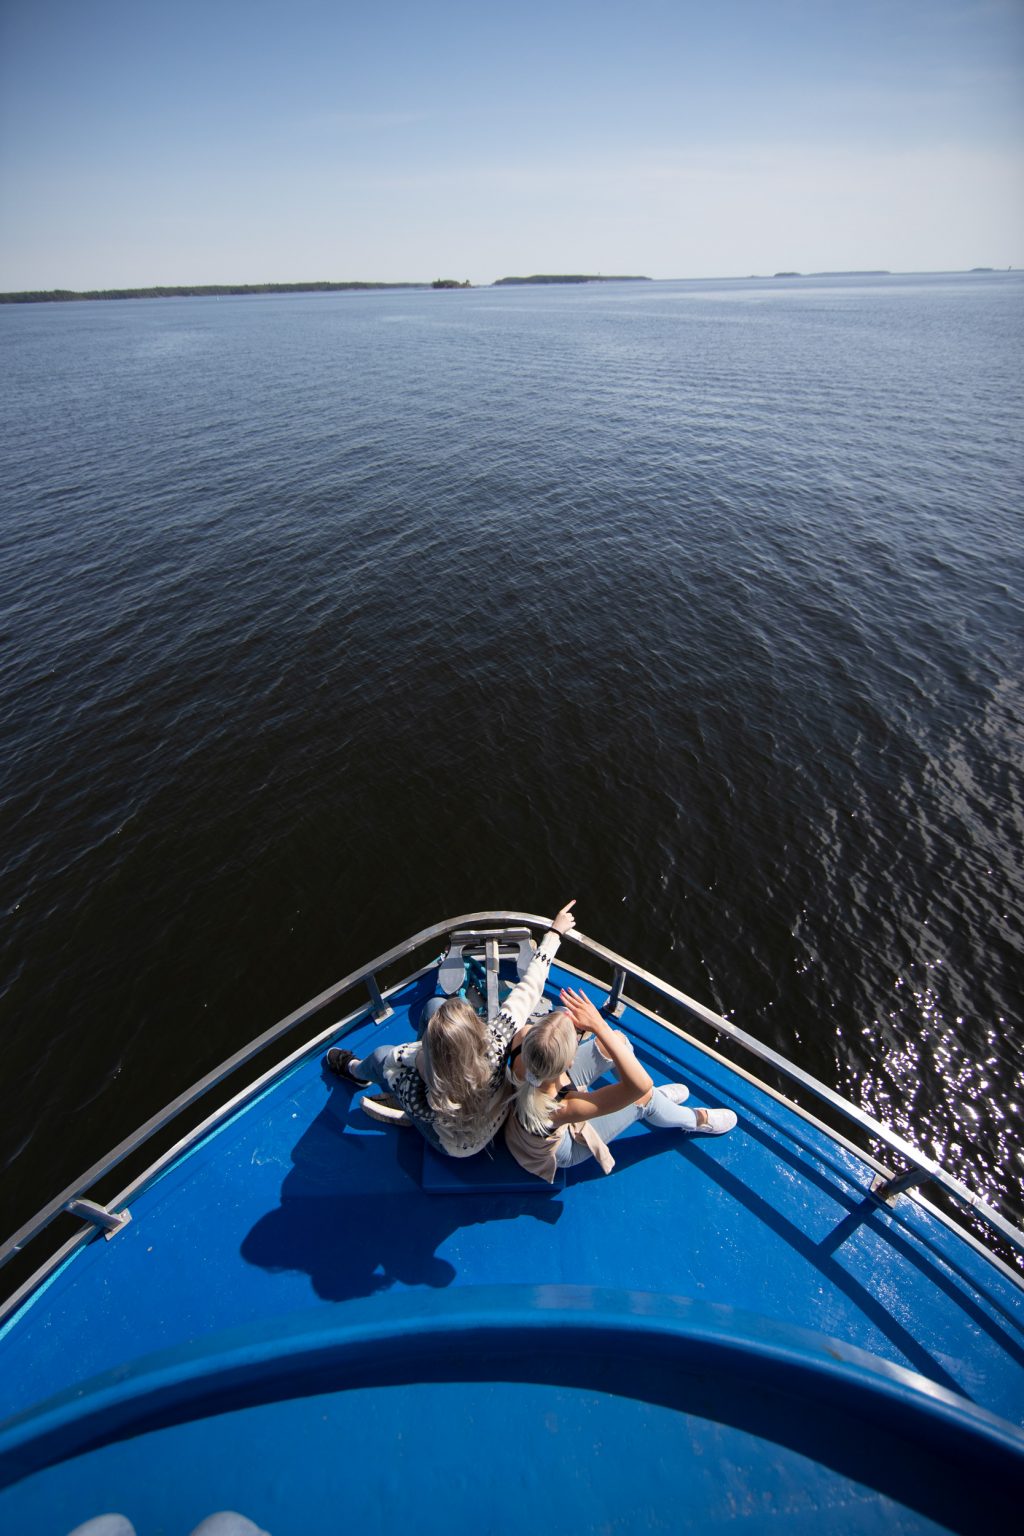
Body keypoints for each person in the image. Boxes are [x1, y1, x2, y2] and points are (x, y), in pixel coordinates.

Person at [325, 900, 578, 1157]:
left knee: (380, 1057)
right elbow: (529, 988)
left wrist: (416, 1056)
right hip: (495, 1111)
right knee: (435, 1006)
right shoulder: (496, 1040)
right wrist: (554, 935)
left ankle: (354, 1070)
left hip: (460, 1144)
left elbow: (393, 1059)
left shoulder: (425, 1083)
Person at [504, 987, 737, 1182]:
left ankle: (658, 1104)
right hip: (562, 1151)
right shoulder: (566, 1107)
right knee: (645, 1098)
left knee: (617, 1043)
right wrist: (599, 1026)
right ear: (569, 1062)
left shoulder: (523, 1038)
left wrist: (604, 1034)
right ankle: (696, 1119)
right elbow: (641, 1086)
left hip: (537, 1102)